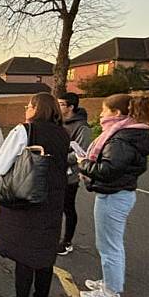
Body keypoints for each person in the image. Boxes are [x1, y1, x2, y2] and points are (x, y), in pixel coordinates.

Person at [0, 93, 69, 297]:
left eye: (28, 105)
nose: (26, 109)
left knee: (24, 253)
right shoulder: (63, 134)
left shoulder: (25, 130)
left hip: (27, 199)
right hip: (53, 201)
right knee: (44, 252)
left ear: (36, 108)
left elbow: (0, 165)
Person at [77, 94, 149, 297]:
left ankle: (110, 294)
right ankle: (109, 282)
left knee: (109, 247)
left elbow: (107, 170)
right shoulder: (130, 134)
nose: (101, 115)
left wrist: (83, 163)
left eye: (104, 110)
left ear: (117, 113)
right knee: (110, 244)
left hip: (113, 196)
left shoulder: (120, 138)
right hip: (118, 194)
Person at [57, 92, 93, 255]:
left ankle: (67, 241)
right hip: (55, 172)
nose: (58, 106)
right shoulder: (58, 122)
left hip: (69, 175)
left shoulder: (82, 128)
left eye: (62, 104)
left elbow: (81, 153)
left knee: (68, 208)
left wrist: (58, 158)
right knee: (54, 207)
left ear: (71, 107)